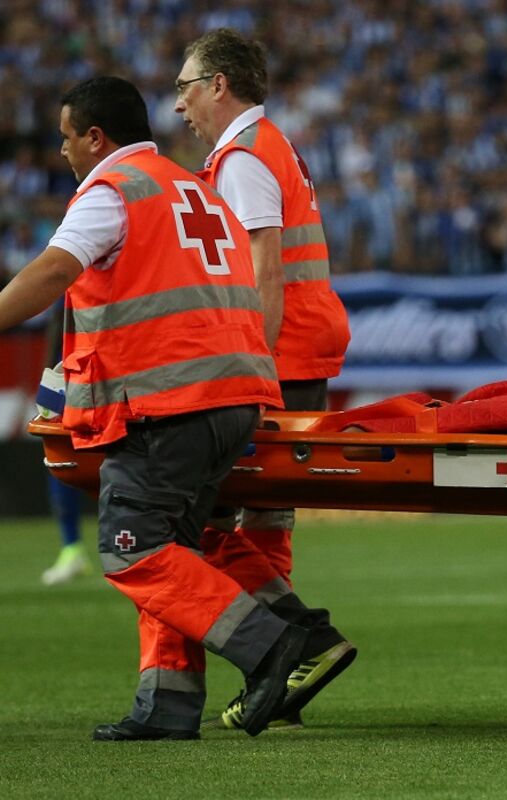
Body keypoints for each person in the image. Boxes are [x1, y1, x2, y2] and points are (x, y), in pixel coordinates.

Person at [0, 75, 306, 740]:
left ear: (95, 137)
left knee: (132, 550)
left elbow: (53, 272)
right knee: (173, 549)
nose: (62, 151)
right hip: (236, 395)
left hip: (170, 402)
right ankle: (167, 703)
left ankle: (270, 644)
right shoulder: (192, 187)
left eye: (66, 137)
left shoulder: (112, 191)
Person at [173, 28, 356, 728]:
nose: (180, 103)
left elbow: (264, 272)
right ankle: (290, 676)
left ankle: (303, 642)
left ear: (218, 84)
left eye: (186, 86)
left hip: (279, 357)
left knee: (202, 520)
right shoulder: (269, 145)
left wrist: (247, 368)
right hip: (303, 349)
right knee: (266, 516)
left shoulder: (243, 158)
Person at [39, 300, 90, 586]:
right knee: (61, 458)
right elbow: (59, 320)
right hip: (72, 370)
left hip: (104, 367)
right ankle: (71, 548)